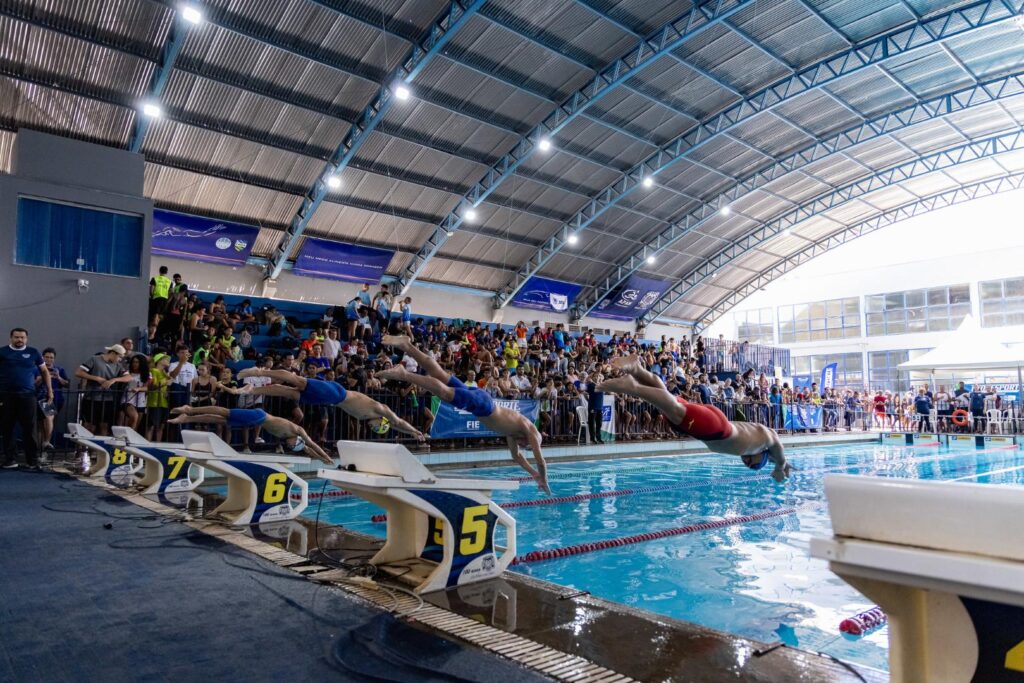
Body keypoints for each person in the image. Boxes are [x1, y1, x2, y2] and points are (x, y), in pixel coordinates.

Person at [378, 335, 550, 494]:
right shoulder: (530, 431)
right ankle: (404, 374)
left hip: (482, 401)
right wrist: (543, 478)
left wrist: (533, 474)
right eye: (525, 445)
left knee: (440, 374)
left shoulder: (514, 434)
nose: (520, 446)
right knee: (444, 392)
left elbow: (516, 457)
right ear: (530, 441)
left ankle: (407, 345)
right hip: (484, 406)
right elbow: (541, 460)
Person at [597, 355, 791, 482]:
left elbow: (776, 454)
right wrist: (780, 467)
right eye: (754, 464)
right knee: (674, 408)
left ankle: (637, 369)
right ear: (763, 454)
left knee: (665, 396)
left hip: (714, 423)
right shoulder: (765, 439)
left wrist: (781, 464)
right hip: (717, 429)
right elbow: (778, 449)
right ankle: (632, 386)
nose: (748, 463)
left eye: (750, 466)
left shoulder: (759, 440)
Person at [231, 367, 425, 440]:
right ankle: (258, 372)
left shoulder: (368, 416)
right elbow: (398, 422)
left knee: (290, 393)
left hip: (330, 400)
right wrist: (415, 431)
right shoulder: (380, 409)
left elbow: (397, 426)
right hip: (336, 393)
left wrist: (413, 434)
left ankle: (253, 389)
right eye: (377, 428)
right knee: (297, 381)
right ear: (383, 422)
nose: (372, 428)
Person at [168, 406, 334, 464]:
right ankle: (190, 409)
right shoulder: (298, 431)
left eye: (290, 447)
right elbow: (311, 444)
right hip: (259, 416)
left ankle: (187, 417)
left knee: (221, 421)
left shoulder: (289, 438)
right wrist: (327, 456)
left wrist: (321, 460)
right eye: (292, 446)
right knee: (225, 413)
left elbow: (307, 450)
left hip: (256, 421)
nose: (289, 446)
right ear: (296, 441)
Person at [1, 328, 51, 470]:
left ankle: (32, 461)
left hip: (28, 396)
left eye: (22, 337)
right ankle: (10, 460)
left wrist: (50, 391)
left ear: (26, 338)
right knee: (7, 428)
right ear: (11, 338)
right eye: (16, 337)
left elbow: (45, 371)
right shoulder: (2, 352)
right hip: (6, 395)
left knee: (30, 429)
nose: (19, 340)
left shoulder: (34, 352)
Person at [75, 344, 131, 436]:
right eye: (119, 357)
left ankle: (100, 449)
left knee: (104, 425)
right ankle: (85, 448)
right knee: (89, 425)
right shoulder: (94, 359)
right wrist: (96, 378)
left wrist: (114, 380)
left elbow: (128, 377)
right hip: (91, 398)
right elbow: (78, 372)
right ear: (113, 353)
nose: (120, 359)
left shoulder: (118, 365)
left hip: (108, 399)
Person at [35, 347, 68, 452]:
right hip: (38, 397)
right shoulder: (37, 369)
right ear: (42, 357)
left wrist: (58, 377)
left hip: (52, 399)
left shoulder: (59, 369)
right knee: (40, 424)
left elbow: (67, 384)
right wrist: (43, 377)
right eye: (47, 357)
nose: (49, 360)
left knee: (49, 418)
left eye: (51, 358)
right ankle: (40, 448)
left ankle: (47, 441)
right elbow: (34, 384)